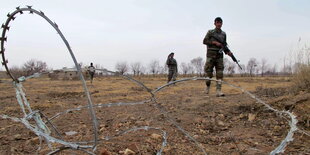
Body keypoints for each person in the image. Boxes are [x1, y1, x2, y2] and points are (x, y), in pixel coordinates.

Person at [203, 17, 233, 97]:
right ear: (215, 23)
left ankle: (218, 90)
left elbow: (224, 46)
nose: (219, 24)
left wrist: (228, 52)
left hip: (219, 56)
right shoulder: (210, 32)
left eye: (220, 22)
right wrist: (214, 42)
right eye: (217, 22)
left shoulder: (223, 34)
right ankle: (207, 86)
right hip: (210, 55)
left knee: (220, 73)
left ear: (222, 24)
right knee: (209, 73)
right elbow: (205, 41)